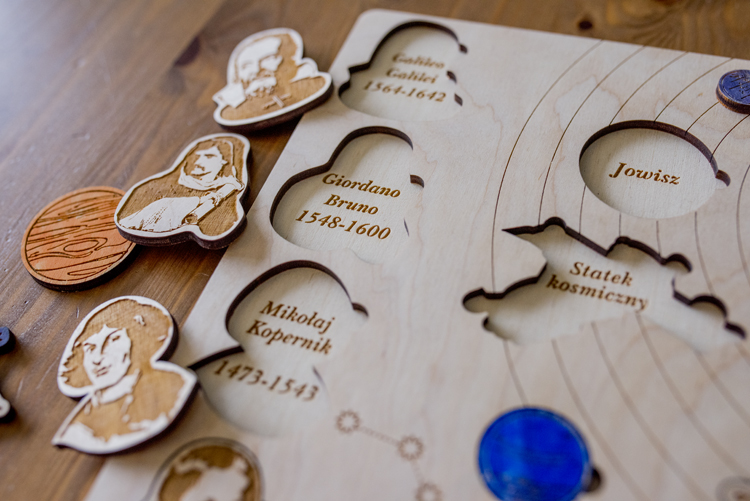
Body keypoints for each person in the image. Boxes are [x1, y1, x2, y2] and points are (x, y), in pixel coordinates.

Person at [54, 297, 196, 454]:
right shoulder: (78, 427)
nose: (97, 358)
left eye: (113, 340)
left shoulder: (174, 388)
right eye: (90, 349)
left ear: (138, 339)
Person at [118, 137, 244, 235]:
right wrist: (200, 200)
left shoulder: (228, 190)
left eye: (209, 156)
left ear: (224, 161)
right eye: (197, 156)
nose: (198, 162)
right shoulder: (154, 187)